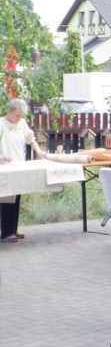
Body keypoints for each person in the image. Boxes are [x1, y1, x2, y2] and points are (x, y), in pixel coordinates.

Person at [0, 99, 44, 242]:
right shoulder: (1, 124)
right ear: (10, 112)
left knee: (17, 197)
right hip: (4, 167)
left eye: (21, 115)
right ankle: (6, 232)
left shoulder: (22, 123)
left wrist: (39, 152)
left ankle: (13, 229)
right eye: (17, 115)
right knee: (7, 198)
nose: (19, 118)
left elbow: (30, 138)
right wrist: (2, 156)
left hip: (18, 166)